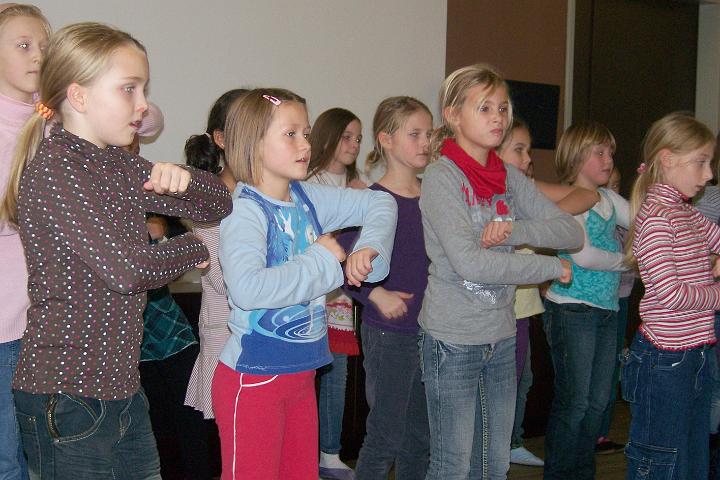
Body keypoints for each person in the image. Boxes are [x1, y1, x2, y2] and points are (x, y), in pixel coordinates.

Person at [1, 22, 232, 479]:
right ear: (79, 96)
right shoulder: (56, 168)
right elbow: (128, 270)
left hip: (121, 388)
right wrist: (194, 246)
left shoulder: (117, 164)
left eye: (143, 89)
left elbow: (220, 202)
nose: (142, 104)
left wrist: (184, 178)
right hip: (67, 396)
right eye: (129, 88)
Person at [212, 88, 397, 480]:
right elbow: (247, 288)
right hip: (255, 377)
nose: (305, 145)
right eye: (290, 134)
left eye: (307, 134)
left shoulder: (306, 198)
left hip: (302, 374)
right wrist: (322, 260)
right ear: (254, 143)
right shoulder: (244, 210)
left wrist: (369, 246)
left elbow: (382, 202)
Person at [419, 63, 583, 479]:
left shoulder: (509, 176)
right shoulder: (441, 177)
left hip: (501, 336)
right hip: (453, 339)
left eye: (503, 108)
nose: (498, 117)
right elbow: (471, 262)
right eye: (485, 108)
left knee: (494, 464)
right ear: (453, 115)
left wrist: (514, 229)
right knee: (453, 466)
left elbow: (570, 231)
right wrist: (548, 265)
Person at [338, 96, 433, 479]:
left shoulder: (434, 197)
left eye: (429, 134)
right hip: (390, 334)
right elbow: (343, 258)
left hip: (432, 330)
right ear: (386, 139)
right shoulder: (371, 201)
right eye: (414, 134)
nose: (425, 142)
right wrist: (376, 294)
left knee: (420, 437)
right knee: (386, 435)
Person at [622, 112, 719, 480]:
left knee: (692, 460)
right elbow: (670, 293)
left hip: (696, 355)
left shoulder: (686, 214)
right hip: (664, 361)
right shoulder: (658, 217)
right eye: (701, 162)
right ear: (667, 158)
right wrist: (718, 295)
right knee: (660, 463)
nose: (709, 175)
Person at [542, 121, 630, 480]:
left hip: (606, 309)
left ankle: (581, 473)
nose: (608, 159)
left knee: (597, 403)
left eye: (611, 152)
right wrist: (628, 261)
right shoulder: (574, 200)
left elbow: (642, 219)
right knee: (575, 402)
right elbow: (584, 254)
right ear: (577, 158)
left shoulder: (609, 199)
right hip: (572, 309)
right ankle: (560, 474)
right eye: (599, 153)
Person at [0, 4, 49, 479]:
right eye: (23, 45)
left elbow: (148, 119)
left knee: (55, 455)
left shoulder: (55, 118)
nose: (37, 55)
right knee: (7, 458)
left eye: (43, 46)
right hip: (5, 323)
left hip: (54, 320)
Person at [306, 107, 364, 480]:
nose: (354, 145)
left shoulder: (359, 185)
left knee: (336, 374)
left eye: (358, 138)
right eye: (347, 136)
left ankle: (330, 453)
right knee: (306, 376)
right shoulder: (310, 181)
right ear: (327, 136)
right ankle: (305, 454)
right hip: (313, 294)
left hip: (343, 296)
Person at [184, 88, 246, 420]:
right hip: (227, 335)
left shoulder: (273, 191)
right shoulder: (211, 194)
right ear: (220, 138)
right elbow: (225, 280)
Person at [595, 167, 634, 455]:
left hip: (622, 298)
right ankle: (593, 432)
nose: (613, 192)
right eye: (608, 186)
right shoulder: (599, 218)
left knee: (612, 367)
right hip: (603, 299)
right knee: (600, 369)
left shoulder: (626, 220)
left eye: (618, 186)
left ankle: (602, 432)